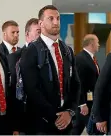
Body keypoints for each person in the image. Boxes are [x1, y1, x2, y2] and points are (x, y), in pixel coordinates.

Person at [19, 5, 80, 134]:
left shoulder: (67, 50)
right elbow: (32, 90)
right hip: (42, 123)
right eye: (51, 18)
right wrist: (55, 116)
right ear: (41, 23)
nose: (56, 22)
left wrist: (70, 112)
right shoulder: (31, 51)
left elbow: (76, 83)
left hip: (67, 122)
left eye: (58, 18)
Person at [7, 18, 41, 134]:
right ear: (27, 34)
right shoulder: (14, 57)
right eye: (38, 32)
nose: (42, 36)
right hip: (24, 120)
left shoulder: (49, 57)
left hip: (46, 120)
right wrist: (14, 126)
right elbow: (12, 92)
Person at [72, 34, 101, 135]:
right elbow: (77, 83)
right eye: (97, 42)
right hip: (84, 105)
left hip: (92, 103)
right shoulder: (80, 59)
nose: (99, 45)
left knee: (79, 129)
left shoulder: (91, 58)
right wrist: (82, 104)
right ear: (91, 44)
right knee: (77, 130)